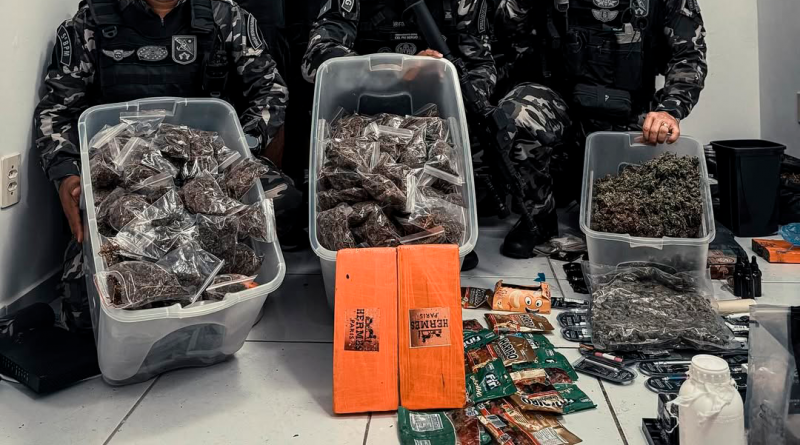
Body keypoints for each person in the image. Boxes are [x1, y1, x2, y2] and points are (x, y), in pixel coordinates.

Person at [33, 0, 297, 333]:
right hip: (123, 176)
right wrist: (66, 174)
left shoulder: (224, 15)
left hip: (206, 165)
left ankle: (218, 288)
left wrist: (242, 144)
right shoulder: (91, 22)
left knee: (282, 204)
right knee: (83, 310)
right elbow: (56, 112)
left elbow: (271, 90)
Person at [494, 0, 708, 258]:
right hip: (563, 105)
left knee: (631, 227)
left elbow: (689, 56)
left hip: (629, 114)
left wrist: (670, 110)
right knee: (516, 114)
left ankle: (595, 204)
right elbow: (506, 31)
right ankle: (538, 217)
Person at [301, 0, 497, 270]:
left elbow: (481, 65)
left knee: (438, 184)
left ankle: (440, 239)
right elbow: (317, 59)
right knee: (356, 191)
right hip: (359, 121)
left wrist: (442, 80)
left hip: (432, 120)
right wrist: (398, 74)